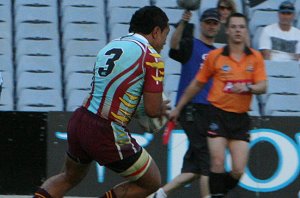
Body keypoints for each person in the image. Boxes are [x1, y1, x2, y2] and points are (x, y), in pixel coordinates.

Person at [33, 6, 170, 198]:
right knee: (152, 181)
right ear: (156, 31)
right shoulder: (152, 58)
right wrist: (160, 108)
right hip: (106, 129)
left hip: (80, 118)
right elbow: (152, 109)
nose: (165, 42)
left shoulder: (112, 45)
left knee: (68, 176)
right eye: (165, 34)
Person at [169, 13, 267, 198]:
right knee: (215, 163)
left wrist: (248, 87)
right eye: (234, 27)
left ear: (246, 31)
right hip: (214, 115)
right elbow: (195, 83)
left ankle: (215, 192)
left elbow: (263, 86)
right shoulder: (213, 55)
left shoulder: (255, 57)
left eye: (242, 27)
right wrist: (178, 107)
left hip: (239, 118)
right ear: (228, 30)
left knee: (237, 169)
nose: (238, 30)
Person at [150, 8, 221, 198]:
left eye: (215, 23)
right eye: (208, 22)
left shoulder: (218, 54)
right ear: (201, 24)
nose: (211, 26)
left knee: (195, 168)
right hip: (192, 108)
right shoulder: (192, 45)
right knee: (209, 161)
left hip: (210, 111)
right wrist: (183, 22)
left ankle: (159, 194)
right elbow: (174, 48)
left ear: (219, 26)